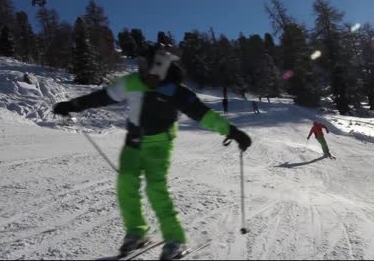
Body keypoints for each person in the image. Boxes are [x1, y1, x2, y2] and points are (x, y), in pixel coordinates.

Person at [52, 47, 252, 260]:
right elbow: (102, 97)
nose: (143, 72)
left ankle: (175, 239)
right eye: (141, 66)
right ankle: (137, 232)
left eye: (147, 67)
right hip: (133, 143)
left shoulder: (174, 90)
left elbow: (203, 114)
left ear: (161, 67)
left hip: (159, 145)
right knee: (125, 185)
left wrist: (232, 131)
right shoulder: (132, 82)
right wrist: (73, 105)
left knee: (156, 189)